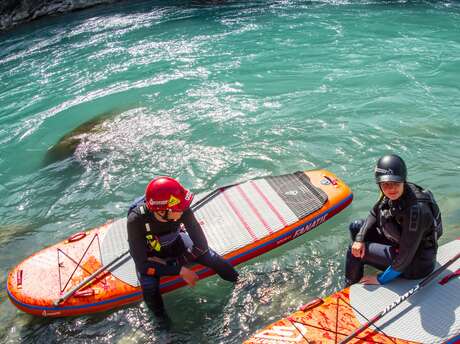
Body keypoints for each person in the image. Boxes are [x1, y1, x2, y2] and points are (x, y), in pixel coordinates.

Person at [127, 176, 238, 316]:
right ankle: (163, 328)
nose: (184, 210)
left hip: (176, 243)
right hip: (152, 254)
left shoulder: (182, 209)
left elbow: (201, 246)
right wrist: (180, 270)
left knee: (212, 258)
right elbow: (143, 266)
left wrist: (175, 264)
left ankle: (240, 282)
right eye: (178, 209)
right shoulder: (136, 220)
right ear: (162, 211)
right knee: (149, 286)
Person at [345, 154, 443, 286]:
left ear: (403, 180)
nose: (391, 189)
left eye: (396, 183)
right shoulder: (391, 194)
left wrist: (380, 279)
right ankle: (362, 261)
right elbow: (374, 213)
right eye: (386, 184)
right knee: (356, 227)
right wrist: (359, 239)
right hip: (401, 244)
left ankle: (349, 286)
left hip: (415, 265)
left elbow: (405, 256)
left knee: (353, 252)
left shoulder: (416, 210)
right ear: (379, 184)